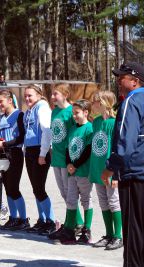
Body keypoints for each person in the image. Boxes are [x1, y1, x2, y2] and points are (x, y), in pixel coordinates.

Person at [102, 62, 144, 266]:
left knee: (134, 230)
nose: (118, 82)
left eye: (122, 78)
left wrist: (111, 167)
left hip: (134, 174)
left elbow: (125, 142)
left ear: (135, 82)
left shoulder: (132, 100)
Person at [48, 84, 84, 240]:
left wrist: (73, 159)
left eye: (55, 94)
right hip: (56, 157)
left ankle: (75, 225)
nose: (52, 97)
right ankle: (77, 223)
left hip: (67, 159)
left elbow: (76, 134)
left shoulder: (71, 112)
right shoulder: (55, 111)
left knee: (70, 194)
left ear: (65, 94)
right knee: (64, 193)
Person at [57, 99, 94, 244]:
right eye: (73, 113)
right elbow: (67, 148)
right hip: (71, 171)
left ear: (86, 112)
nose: (74, 116)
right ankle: (69, 231)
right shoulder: (72, 128)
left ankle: (87, 230)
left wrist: (76, 164)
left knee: (86, 199)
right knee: (71, 200)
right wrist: (68, 164)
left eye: (77, 113)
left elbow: (88, 150)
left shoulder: (89, 128)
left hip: (83, 171)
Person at [90, 91, 123, 250]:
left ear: (103, 103)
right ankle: (108, 234)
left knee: (114, 202)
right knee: (103, 202)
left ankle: (118, 236)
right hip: (97, 168)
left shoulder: (113, 123)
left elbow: (117, 148)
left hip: (109, 170)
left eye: (95, 102)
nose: (93, 105)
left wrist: (114, 172)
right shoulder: (96, 122)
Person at [23, 84, 56, 235]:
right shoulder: (29, 110)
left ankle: (51, 221)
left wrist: (42, 154)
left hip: (39, 151)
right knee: (36, 188)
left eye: (30, 95)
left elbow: (47, 132)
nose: (27, 98)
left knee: (39, 188)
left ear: (38, 95)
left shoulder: (42, 107)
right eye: (26, 95)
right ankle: (42, 220)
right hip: (30, 150)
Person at [0, 90, 28, 231]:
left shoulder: (19, 115)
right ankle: (13, 218)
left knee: (14, 188)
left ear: (9, 101)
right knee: (8, 188)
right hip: (3, 155)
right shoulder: (1, 117)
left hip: (15, 154)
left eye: (1, 101)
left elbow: (21, 137)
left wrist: (5, 144)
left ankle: (24, 219)